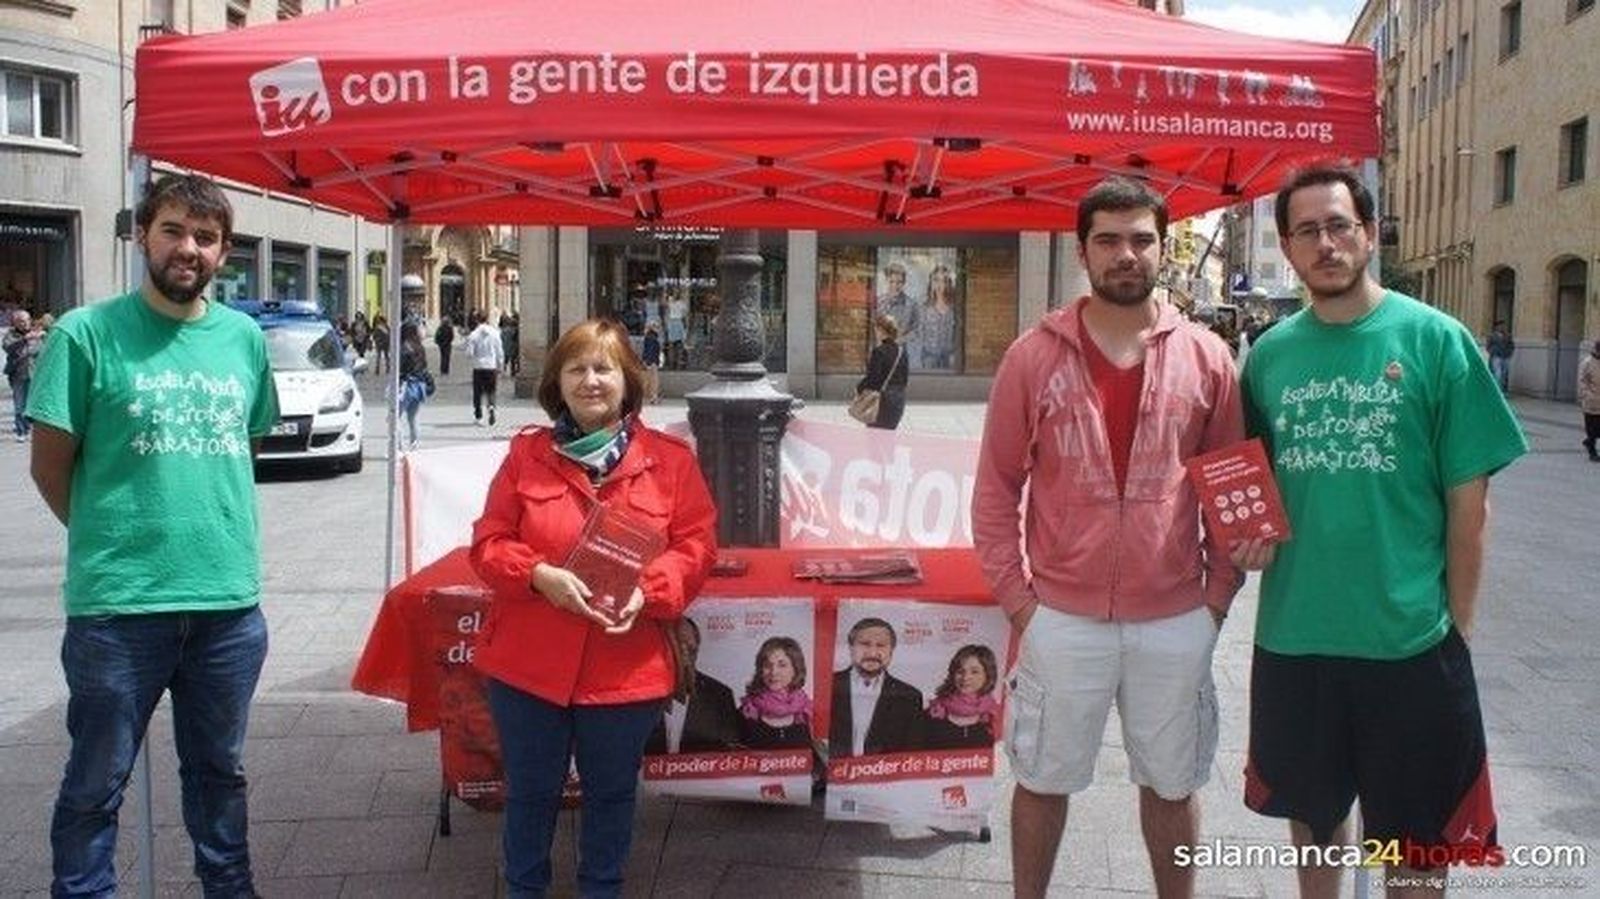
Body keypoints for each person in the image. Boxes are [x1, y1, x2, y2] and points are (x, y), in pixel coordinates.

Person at [1233, 164, 1527, 898]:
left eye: (1340, 226)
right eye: (1308, 231)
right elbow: (1252, 492)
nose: (1326, 243)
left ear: (1368, 234)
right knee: (1314, 819)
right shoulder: (1268, 356)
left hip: (1410, 645)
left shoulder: (1437, 341)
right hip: (1296, 639)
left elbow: (1471, 504)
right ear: (1288, 247)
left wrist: (1456, 625)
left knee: (1414, 846)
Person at [971, 175, 1244, 899]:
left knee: (1174, 779)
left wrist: (1214, 602)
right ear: (1083, 250)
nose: (1127, 253)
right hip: (1061, 617)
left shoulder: (1208, 357)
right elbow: (995, 488)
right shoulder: (1032, 356)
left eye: (1142, 239)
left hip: (1176, 617)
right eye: (1109, 240)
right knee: (1040, 776)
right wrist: (1021, 604)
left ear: (1162, 246)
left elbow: (1229, 487)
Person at [25, 174, 279, 898]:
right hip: (117, 610)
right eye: (172, 230)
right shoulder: (85, 333)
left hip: (227, 608)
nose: (187, 248)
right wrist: (117, 533)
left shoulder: (243, 340)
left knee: (220, 777)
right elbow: (51, 469)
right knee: (94, 784)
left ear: (224, 251)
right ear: (144, 234)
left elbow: (243, 448)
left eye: (204, 236)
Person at [469, 318, 717, 898]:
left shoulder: (671, 461)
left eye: (603, 368)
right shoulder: (526, 455)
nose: (590, 380)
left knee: (610, 795)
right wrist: (536, 574)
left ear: (628, 382)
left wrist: (649, 591)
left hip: (624, 671)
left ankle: (600, 890)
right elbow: (488, 542)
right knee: (530, 794)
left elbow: (698, 546)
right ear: (557, 381)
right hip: (528, 667)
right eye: (576, 368)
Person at [828, 618, 923, 758]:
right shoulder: (826, 686)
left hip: (886, 777)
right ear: (851, 647)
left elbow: (912, 754)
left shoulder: (910, 696)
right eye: (865, 644)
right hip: (833, 778)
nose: (873, 652)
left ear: (891, 651)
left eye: (881, 645)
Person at [644, 617, 741, 754]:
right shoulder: (642, 693)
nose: (684, 652)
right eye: (677, 643)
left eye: (690, 647)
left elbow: (731, 752)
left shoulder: (720, 695)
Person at [738, 636, 813, 749]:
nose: (774, 672)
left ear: (795, 669)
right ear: (760, 670)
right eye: (767, 665)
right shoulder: (747, 711)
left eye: (782, 665)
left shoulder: (806, 711)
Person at [921, 644, 1001, 749]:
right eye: (960, 671)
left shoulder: (995, 715)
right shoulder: (932, 712)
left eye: (975, 672)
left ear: (988, 675)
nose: (966, 677)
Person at [856, 313, 909, 430]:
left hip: (881, 402)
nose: (875, 332)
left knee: (875, 438)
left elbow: (873, 380)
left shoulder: (879, 352)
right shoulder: (902, 351)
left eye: (876, 328)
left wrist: (859, 388)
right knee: (889, 437)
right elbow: (905, 379)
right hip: (898, 401)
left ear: (880, 329)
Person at [3, 309, 42, 441]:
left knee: (33, 405)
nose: (25, 323)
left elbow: (41, 350)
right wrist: (24, 340)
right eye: (21, 321)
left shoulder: (37, 334)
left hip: (34, 374)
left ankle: (32, 429)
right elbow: (7, 347)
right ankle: (21, 432)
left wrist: (42, 337)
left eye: (26, 320)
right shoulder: (11, 335)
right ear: (15, 322)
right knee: (19, 405)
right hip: (17, 375)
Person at [463, 310, 505, 426]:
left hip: (478, 366)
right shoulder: (495, 333)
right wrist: (500, 365)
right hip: (491, 366)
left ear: (477, 320)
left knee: (477, 392)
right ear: (487, 319)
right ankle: (491, 407)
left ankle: (478, 416)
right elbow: (499, 351)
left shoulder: (473, 335)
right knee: (491, 390)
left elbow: (469, 353)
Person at [918, 263, 959, 370]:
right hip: (929, 356)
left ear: (948, 283)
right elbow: (920, 332)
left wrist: (954, 354)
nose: (939, 284)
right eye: (936, 280)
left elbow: (958, 333)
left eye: (943, 281)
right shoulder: (924, 307)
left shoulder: (954, 308)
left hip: (949, 356)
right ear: (931, 283)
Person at [398, 320, 431, 449]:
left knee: (395, 417)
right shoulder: (420, 347)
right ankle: (415, 445)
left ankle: (398, 447)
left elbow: (400, 368)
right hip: (419, 387)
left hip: (406, 386)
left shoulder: (404, 348)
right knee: (413, 418)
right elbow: (424, 366)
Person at [874, 261, 921, 347]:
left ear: (904, 283)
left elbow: (916, 331)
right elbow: (874, 326)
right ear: (886, 280)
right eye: (891, 282)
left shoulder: (912, 305)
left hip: (900, 351)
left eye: (899, 282)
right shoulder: (879, 302)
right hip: (881, 350)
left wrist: (900, 340)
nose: (895, 286)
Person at [1582, 340, 1600, 462]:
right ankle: (1592, 451)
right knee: (1592, 427)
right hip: (1591, 402)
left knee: (1597, 429)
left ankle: (1589, 441)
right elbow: (1582, 381)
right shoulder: (1587, 362)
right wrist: (1588, 395)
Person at [1487, 321, 1514, 393]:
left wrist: (1509, 353)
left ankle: (1502, 390)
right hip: (1496, 357)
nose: (1502, 327)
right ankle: (1496, 390)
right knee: (1497, 373)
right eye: (1500, 326)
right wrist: (1493, 352)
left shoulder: (1508, 335)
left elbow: (1511, 345)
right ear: (1496, 327)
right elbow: (1488, 346)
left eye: (1503, 326)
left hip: (1505, 357)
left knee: (1504, 374)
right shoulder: (1492, 336)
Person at [640, 321, 662, 404]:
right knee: (653, 381)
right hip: (652, 362)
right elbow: (650, 351)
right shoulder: (652, 338)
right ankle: (653, 397)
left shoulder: (650, 337)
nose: (659, 329)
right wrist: (649, 362)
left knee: (648, 380)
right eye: (657, 327)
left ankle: (651, 397)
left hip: (651, 362)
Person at [665, 293, 688, 369]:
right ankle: (678, 363)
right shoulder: (682, 304)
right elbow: (684, 315)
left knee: (671, 345)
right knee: (679, 345)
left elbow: (667, 314)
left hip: (672, 322)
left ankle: (671, 363)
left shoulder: (670, 303)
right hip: (678, 321)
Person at [500, 310, 520, 377]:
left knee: (506, 359)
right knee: (513, 360)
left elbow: (501, 338)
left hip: (506, 347)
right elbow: (517, 339)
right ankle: (513, 371)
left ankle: (504, 369)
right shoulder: (516, 331)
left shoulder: (504, 330)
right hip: (513, 347)